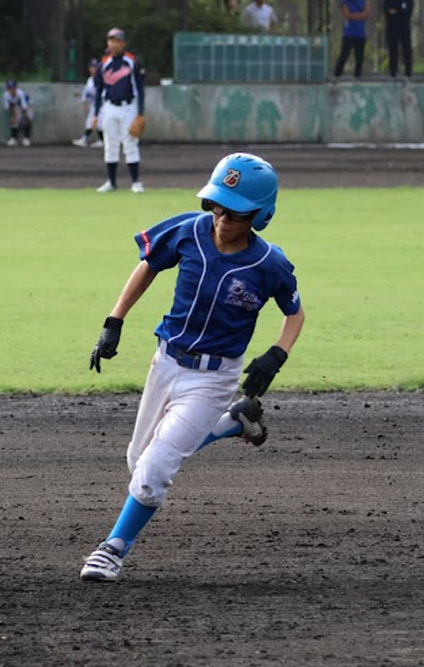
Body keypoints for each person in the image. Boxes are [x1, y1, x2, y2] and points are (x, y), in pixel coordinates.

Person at [79, 153, 305, 583]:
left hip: (214, 378)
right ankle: (233, 423)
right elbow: (148, 266)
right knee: (138, 461)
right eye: (215, 204)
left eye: (234, 211)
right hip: (164, 362)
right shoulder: (189, 231)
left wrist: (277, 353)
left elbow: (295, 313)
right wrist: (114, 321)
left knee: (152, 474)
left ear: (260, 215)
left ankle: (111, 550)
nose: (221, 215)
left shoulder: (268, 264)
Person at [92, 28, 146, 194]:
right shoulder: (104, 63)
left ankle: (136, 182)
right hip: (109, 107)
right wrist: (95, 114)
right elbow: (98, 90)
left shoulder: (131, 61)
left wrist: (140, 112)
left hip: (128, 107)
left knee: (130, 143)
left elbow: (140, 88)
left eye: (117, 40)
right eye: (111, 40)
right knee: (110, 145)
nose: (114, 44)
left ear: (123, 43)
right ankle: (111, 182)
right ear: (108, 43)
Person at [72, 58, 104, 148]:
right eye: (91, 67)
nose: (93, 69)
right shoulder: (90, 79)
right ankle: (101, 140)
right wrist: (82, 97)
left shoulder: (101, 79)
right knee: (96, 123)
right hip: (94, 104)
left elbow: (99, 93)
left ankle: (84, 139)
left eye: (95, 67)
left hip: (102, 105)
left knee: (93, 122)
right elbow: (89, 93)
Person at [334, 0, 370, 79]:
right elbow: (347, 16)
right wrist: (361, 15)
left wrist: (355, 16)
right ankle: (336, 76)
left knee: (359, 57)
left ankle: (357, 76)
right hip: (349, 33)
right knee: (344, 55)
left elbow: (367, 14)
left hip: (361, 33)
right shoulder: (344, 2)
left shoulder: (363, 1)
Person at [384, 1, 414, 78]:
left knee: (406, 49)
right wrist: (399, 11)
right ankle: (393, 72)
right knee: (393, 50)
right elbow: (386, 10)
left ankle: (408, 72)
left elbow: (408, 10)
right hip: (391, 27)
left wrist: (396, 11)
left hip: (404, 27)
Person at [3, 80, 33, 147]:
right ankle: (14, 139)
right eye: (9, 88)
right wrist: (13, 116)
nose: (11, 89)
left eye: (12, 87)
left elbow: (24, 107)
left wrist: (24, 117)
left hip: (28, 105)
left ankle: (27, 138)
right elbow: (9, 107)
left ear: (16, 87)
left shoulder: (20, 93)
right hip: (16, 106)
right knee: (14, 121)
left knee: (26, 121)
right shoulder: (6, 95)